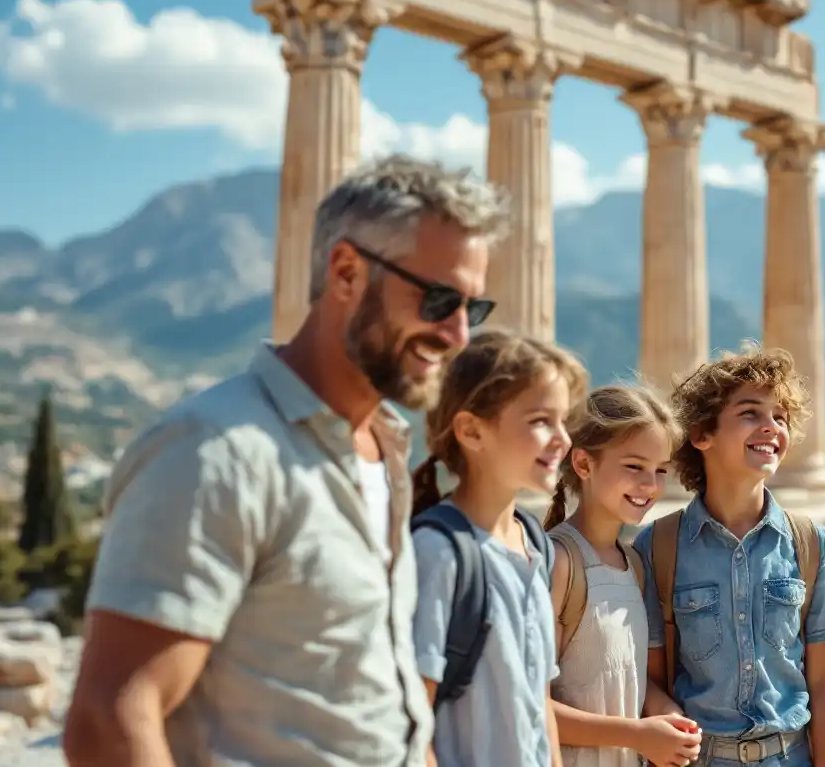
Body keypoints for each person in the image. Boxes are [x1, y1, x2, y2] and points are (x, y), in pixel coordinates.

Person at [62, 154, 508, 767]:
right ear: (346, 272)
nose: (459, 334)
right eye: (438, 300)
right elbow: (110, 720)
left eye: (473, 309)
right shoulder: (215, 453)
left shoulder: (382, 449)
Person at [632, 348, 825, 767]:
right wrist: (664, 716)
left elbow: (824, 678)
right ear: (702, 434)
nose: (771, 427)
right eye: (750, 413)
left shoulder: (811, 544)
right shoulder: (658, 547)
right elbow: (649, 674)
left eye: (780, 416)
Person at [409, 329, 589, 767]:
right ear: (471, 430)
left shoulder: (535, 545)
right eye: (540, 421)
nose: (563, 438)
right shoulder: (438, 552)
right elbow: (415, 727)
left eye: (563, 420)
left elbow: (539, 703)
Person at [544, 385, 703, 767]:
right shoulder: (558, 561)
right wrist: (636, 734)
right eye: (634, 466)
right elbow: (530, 702)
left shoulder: (633, 565)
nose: (650, 485)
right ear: (583, 465)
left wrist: (666, 712)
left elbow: (624, 674)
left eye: (660, 470)